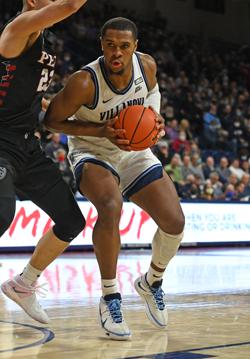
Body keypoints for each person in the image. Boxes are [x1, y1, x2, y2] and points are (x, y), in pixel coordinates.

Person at [44, 17, 185, 340]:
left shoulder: (146, 66)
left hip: (132, 150)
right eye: (110, 45)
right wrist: (99, 130)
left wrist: (155, 118)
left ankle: (152, 281)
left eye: (124, 46)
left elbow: (152, 95)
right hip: (92, 149)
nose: (116, 53)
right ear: (101, 45)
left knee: (174, 222)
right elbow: (52, 120)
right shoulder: (84, 81)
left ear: (135, 47)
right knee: (110, 205)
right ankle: (110, 297)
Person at [0, 0, 88, 324]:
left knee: (72, 221)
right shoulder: (17, 28)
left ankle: (24, 284)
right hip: (2, 143)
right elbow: (69, 6)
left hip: (29, 147)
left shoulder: (43, 41)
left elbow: (28, 94)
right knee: (1, 215)